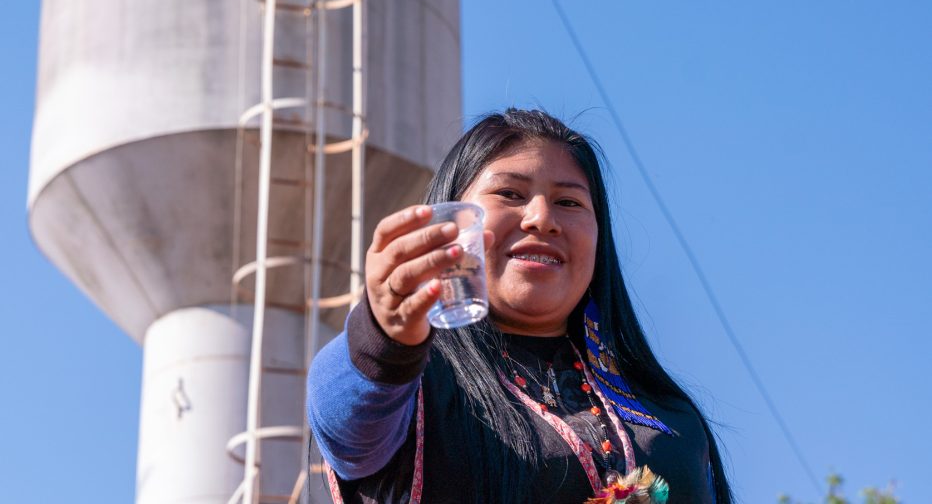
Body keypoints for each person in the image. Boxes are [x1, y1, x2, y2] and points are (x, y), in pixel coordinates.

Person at [307, 109, 732, 503]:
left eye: (569, 202)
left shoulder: (669, 413)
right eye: (510, 193)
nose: (541, 217)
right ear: (451, 224)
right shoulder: (411, 386)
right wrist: (383, 339)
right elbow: (347, 424)